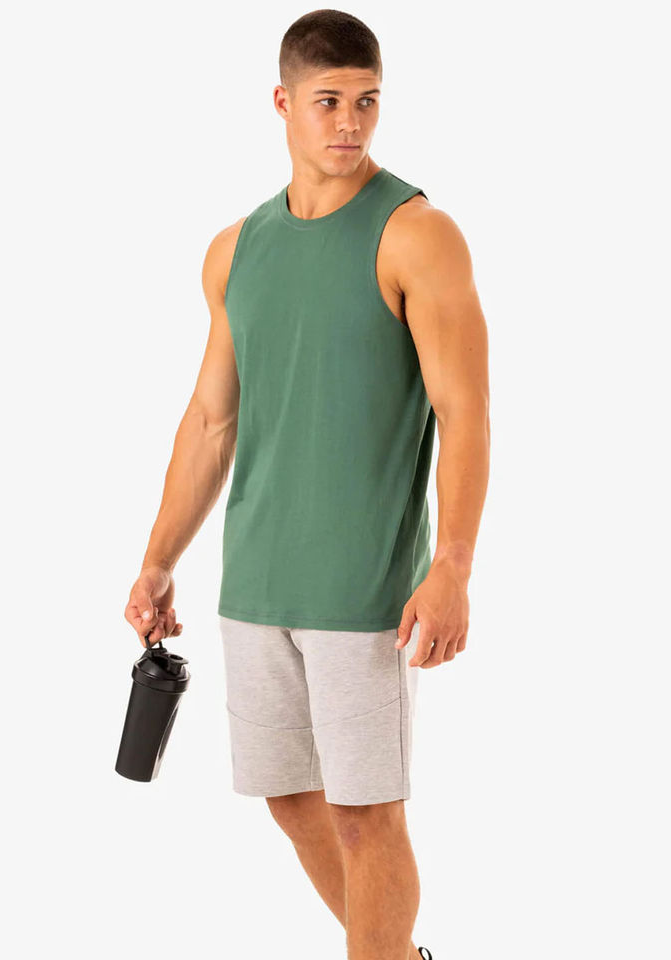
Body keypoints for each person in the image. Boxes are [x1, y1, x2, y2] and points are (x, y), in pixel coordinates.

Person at [124, 10, 490, 960]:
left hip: (363, 592)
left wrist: (452, 564)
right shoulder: (236, 249)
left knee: (368, 814)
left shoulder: (418, 235)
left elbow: (465, 413)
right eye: (329, 102)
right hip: (255, 583)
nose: (350, 123)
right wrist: (158, 560)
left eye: (368, 101)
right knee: (290, 797)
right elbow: (211, 421)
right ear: (282, 103)